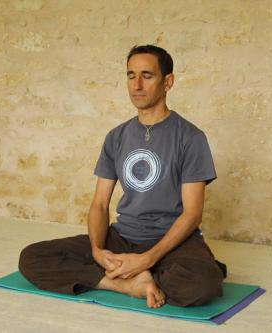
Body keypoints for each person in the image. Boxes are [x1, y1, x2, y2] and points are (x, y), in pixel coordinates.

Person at [19, 45, 226, 309]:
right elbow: (100, 205)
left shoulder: (190, 138)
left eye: (147, 76)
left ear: (168, 82)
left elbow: (192, 214)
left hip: (171, 241)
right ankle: (126, 283)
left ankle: (148, 270)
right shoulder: (116, 137)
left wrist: (147, 259)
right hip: (123, 237)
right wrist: (96, 250)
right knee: (32, 257)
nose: (137, 85)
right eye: (131, 76)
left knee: (201, 285)